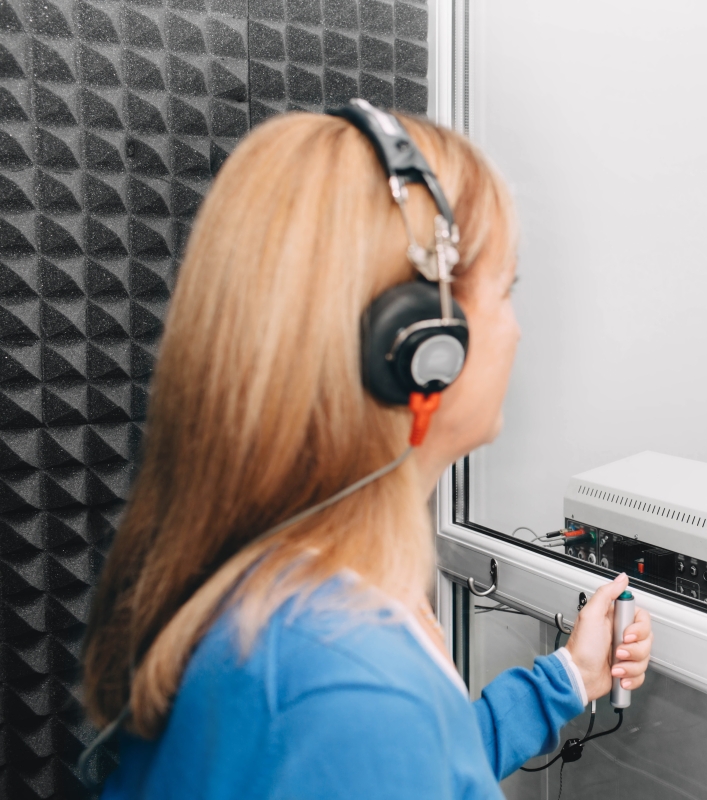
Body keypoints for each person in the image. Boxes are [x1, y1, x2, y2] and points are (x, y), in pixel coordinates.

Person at [81, 106, 653, 798]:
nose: (517, 333)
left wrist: (565, 680)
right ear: (422, 346)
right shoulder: (352, 691)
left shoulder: (287, 598)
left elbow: (405, 765)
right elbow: (380, 745)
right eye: (506, 292)